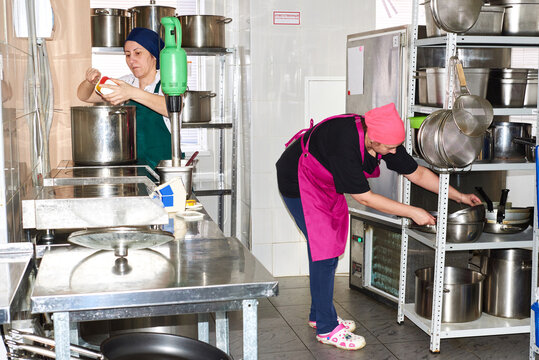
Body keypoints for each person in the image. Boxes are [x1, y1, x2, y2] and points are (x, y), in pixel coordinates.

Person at [275, 103, 481, 351]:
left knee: (328, 248)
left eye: (396, 146)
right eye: (389, 148)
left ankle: (319, 314)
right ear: (371, 139)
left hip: (324, 183)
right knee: (325, 251)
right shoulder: (345, 144)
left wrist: (458, 196)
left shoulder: (383, 137)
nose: (393, 152)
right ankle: (327, 328)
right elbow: (365, 197)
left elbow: (416, 174)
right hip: (298, 181)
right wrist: (413, 212)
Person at [77, 27, 170, 169]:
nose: (131, 60)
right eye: (127, 55)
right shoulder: (127, 82)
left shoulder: (168, 83)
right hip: (134, 170)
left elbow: (170, 108)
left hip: (165, 172)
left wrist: (132, 93)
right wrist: (89, 83)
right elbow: (85, 96)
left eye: (137, 53)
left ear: (154, 55)